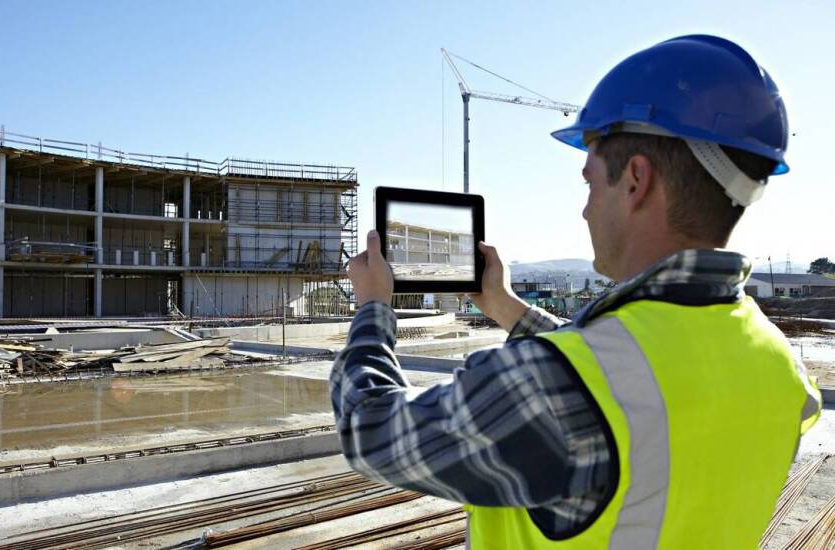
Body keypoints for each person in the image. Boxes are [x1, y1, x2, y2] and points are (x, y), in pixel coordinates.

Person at [330, 35, 822, 548]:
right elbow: (637, 374)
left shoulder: (558, 386)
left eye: (589, 183)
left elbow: (371, 432)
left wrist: (373, 310)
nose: (585, 209)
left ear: (635, 179)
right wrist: (503, 305)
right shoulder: (779, 365)